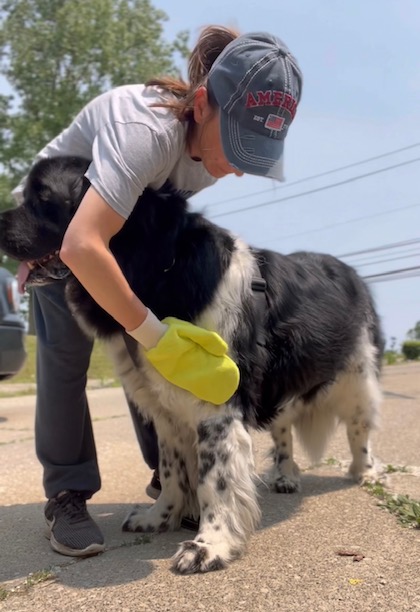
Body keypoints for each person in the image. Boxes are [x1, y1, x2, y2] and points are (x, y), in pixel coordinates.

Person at [13, 26, 303, 557]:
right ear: (200, 105)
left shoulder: (209, 158)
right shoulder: (144, 130)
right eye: (238, 144)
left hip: (120, 244)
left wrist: (160, 330)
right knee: (65, 360)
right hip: (57, 232)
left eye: (256, 152)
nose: (241, 167)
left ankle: (171, 481)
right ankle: (68, 495)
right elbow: (82, 245)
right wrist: (155, 334)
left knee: (144, 359)